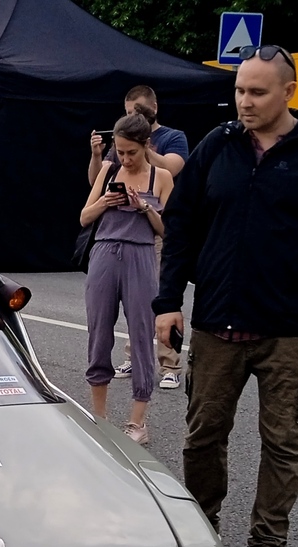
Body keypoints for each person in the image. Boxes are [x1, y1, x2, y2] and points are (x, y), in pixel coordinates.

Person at [154, 45, 298, 547]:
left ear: (290, 92)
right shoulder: (218, 145)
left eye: (257, 92)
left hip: (290, 328)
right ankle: (204, 532)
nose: (245, 102)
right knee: (203, 436)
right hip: (217, 323)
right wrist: (167, 302)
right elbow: (182, 223)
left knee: (284, 442)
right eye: (240, 90)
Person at [80, 113, 173, 446]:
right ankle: (99, 417)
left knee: (142, 331)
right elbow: (83, 217)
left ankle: (137, 421)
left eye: (131, 152)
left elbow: (169, 231)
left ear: (146, 145)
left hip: (141, 255)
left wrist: (146, 209)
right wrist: (105, 201)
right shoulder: (108, 171)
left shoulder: (161, 177)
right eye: (120, 151)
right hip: (105, 253)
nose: (125, 158)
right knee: (99, 331)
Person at [90, 86, 190, 390]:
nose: (133, 117)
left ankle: (169, 362)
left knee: (160, 297)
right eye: (129, 112)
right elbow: (98, 179)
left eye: (138, 112)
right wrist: (99, 155)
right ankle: (135, 355)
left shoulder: (173, 137)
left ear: (153, 108)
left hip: (155, 227)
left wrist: (143, 150)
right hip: (120, 231)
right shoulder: (121, 145)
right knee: (133, 304)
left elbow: (172, 167)